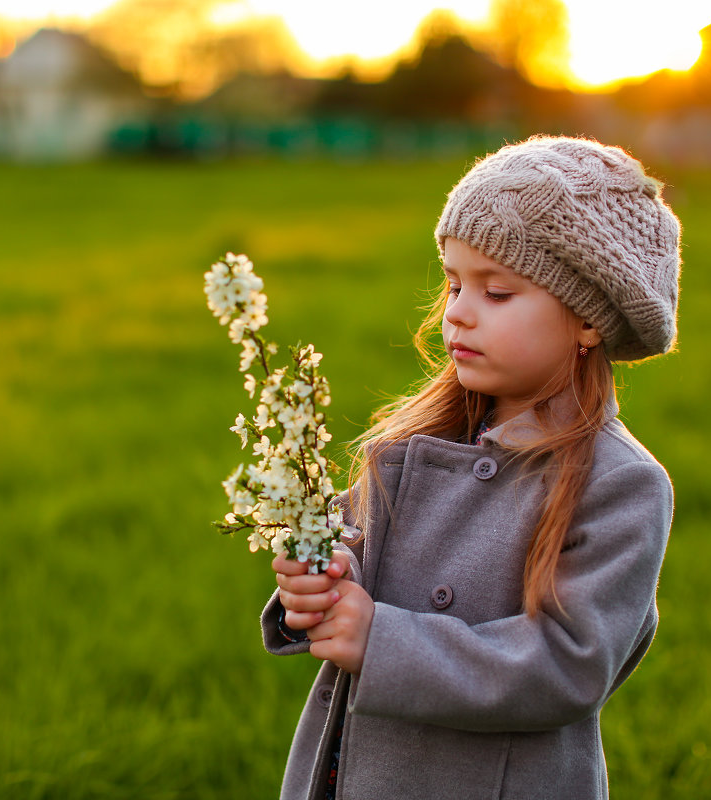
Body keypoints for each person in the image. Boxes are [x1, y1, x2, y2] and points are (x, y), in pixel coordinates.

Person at [261, 135, 682, 800]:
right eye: (455, 283)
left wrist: (382, 641)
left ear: (589, 322)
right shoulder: (409, 447)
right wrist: (312, 588)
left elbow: (567, 665)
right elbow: (351, 566)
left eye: (498, 292)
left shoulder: (618, 484)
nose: (457, 310)